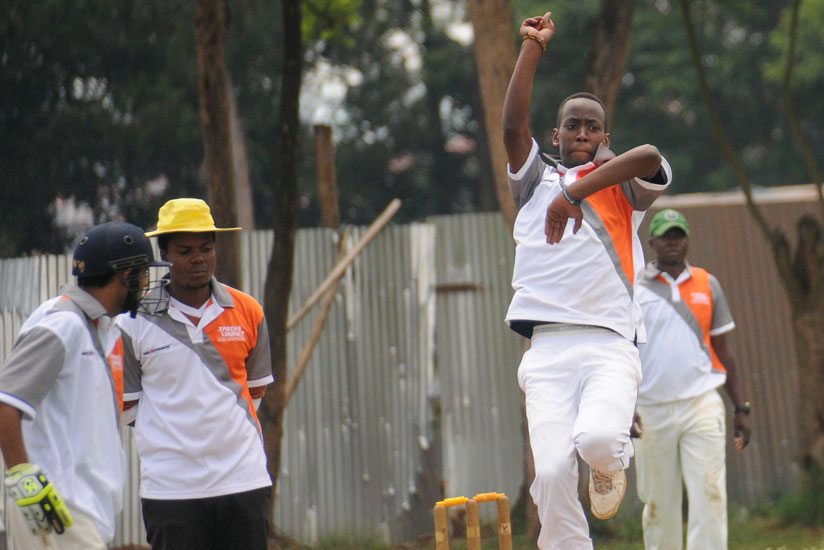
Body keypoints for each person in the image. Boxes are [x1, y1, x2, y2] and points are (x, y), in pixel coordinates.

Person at [502, 10, 673, 549]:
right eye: (572, 125)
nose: (581, 133)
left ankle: (609, 462)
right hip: (547, 348)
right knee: (552, 474)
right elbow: (511, 127)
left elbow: (650, 156)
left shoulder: (623, 186)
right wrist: (532, 46)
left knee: (598, 440)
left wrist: (574, 194)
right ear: (555, 134)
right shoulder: (535, 179)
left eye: (592, 126)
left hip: (609, 344)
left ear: (605, 137)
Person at [116, 198, 273, 550]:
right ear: (164, 254)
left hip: (244, 481)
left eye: (206, 248)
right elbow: (129, 409)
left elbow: (255, 392)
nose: (198, 259)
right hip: (171, 490)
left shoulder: (248, 311)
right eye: (185, 251)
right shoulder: (131, 322)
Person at [0, 221, 167, 549]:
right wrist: (25, 481)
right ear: (125, 275)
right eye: (143, 274)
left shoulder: (98, 326)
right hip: (59, 504)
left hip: (80, 507)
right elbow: (7, 401)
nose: (145, 285)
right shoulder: (63, 323)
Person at [633, 209, 751, 550]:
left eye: (679, 235)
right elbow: (623, 351)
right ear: (652, 241)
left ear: (687, 240)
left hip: (701, 403)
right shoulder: (634, 286)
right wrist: (625, 405)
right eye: (665, 236)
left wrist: (740, 407)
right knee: (659, 504)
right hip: (650, 409)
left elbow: (723, 349)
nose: (673, 242)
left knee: (710, 494)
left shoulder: (707, 283)